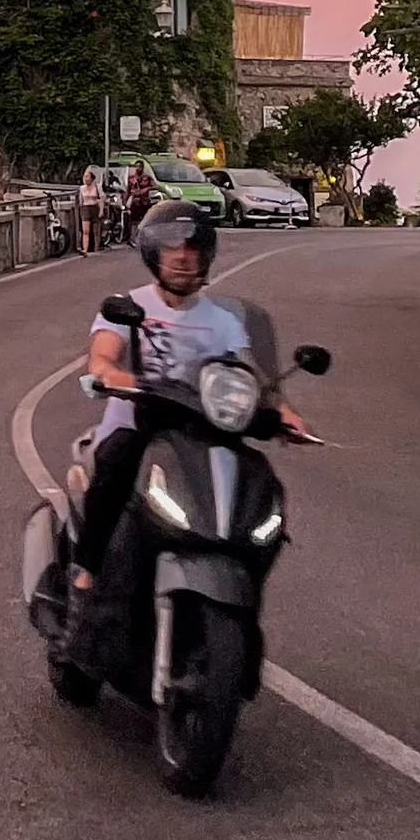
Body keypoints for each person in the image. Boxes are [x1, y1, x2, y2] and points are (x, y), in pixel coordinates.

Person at [65, 203, 305, 648]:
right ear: (153, 254)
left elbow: (247, 371)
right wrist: (109, 374)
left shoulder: (224, 321)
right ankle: (87, 569)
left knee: (261, 486)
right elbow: (101, 355)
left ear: (206, 256)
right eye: (171, 248)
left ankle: (242, 593)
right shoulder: (130, 306)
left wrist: (280, 408)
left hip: (204, 431)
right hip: (138, 425)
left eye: (192, 248)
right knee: (116, 463)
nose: (182, 257)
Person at [122, 161, 155, 237]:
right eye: (136, 166)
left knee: (145, 220)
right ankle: (133, 237)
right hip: (135, 202)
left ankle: (144, 236)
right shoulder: (132, 178)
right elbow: (128, 190)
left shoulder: (147, 178)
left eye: (139, 166)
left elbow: (153, 188)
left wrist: (146, 189)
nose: (137, 168)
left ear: (142, 167)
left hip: (145, 202)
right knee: (134, 220)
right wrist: (125, 201)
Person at [77, 167, 103, 254]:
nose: (85, 179)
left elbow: (101, 198)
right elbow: (80, 200)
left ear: (91, 178)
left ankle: (96, 248)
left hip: (94, 207)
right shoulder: (82, 188)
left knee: (96, 230)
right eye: (84, 177)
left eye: (87, 176)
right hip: (85, 208)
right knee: (85, 230)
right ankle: (85, 249)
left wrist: (101, 210)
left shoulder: (97, 186)